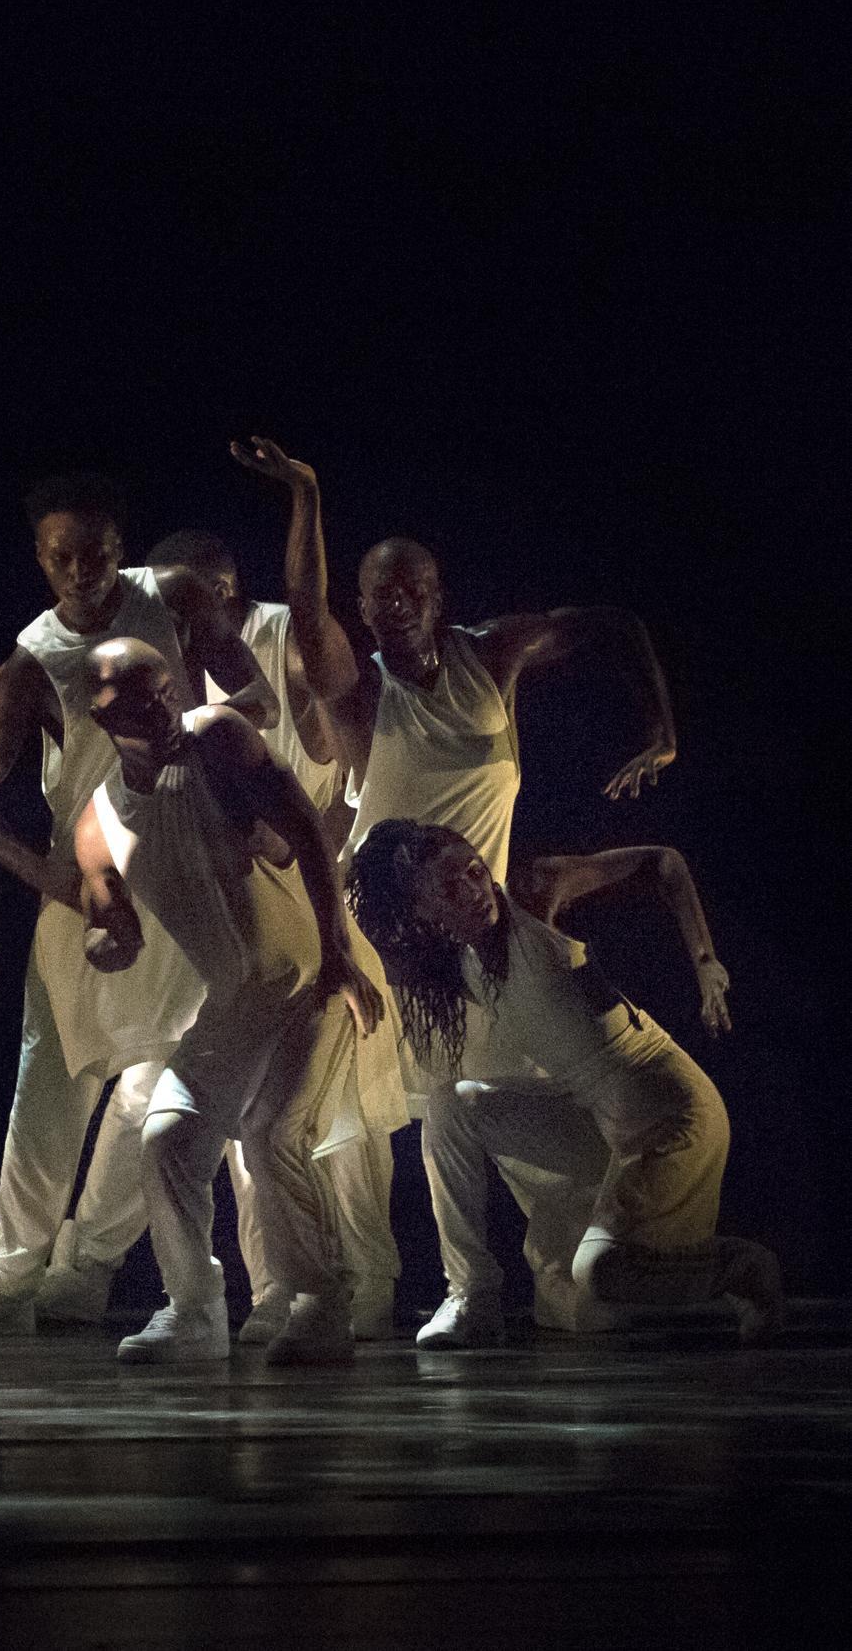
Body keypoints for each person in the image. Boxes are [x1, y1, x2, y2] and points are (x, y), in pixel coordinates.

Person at [235, 434, 681, 1336]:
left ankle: (581, 1269)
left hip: (486, 927)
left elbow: (614, 622)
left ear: (439, 597)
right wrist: (307, 495)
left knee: (495, 1100)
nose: (397, 605)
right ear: (365, 606)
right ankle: (433, 1290)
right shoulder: (356, 691)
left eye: (414, 590)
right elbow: (309, 608)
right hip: (388, 934)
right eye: (380, 595)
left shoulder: (493, 656)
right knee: (378, 1117)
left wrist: (660, 728)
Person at [0, 475, 276, 1338]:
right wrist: (57, 882)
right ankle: (8, 1277)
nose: (81, 571)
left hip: (177, 868)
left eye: (95, 552)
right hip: (86, 886)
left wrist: (201, 753)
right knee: (48, 1090)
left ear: (117, 544)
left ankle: (88, 1266)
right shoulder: (31, 659)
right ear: (40, 560)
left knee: (157, 1091)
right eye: (61, 557)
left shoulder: (171, 599)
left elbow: (258, 700)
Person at [347, 823, 780, 1346]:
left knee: (599, 1272)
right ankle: (471, 1296)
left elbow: (663, 862)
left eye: (473, 870)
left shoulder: (534, 891)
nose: (473, 890)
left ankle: (741, 1268)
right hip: (598, 1120)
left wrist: (706, 963)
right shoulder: (456, 961)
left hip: (669, 1111)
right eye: (448, 889)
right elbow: (364, 941)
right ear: (422, 912)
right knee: (451, 1105)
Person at [72, 640, 383, 1364]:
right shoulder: (99, 821)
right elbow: (108, 924)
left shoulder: (216, 737)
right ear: (96, 712)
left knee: (275, 1136)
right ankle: (194, 1312)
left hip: (311, 973)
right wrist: (107, 944)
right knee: (168, 1138)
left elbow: (307, 830)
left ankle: (319, 1301)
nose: (159, 703)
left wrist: (339, 952)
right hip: (237, 999)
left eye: (163, 687)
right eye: (134, 695)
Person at [148, 526, 405, 1343]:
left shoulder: (274, 657)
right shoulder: (169, 692)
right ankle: (278, 1293)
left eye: (190, 599)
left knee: (326, 1126)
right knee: (249, 1127)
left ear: (220, 593)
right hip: (249, 919)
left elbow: (320, 774)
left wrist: (296, 853)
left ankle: (363, 1287)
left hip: (313, 898)